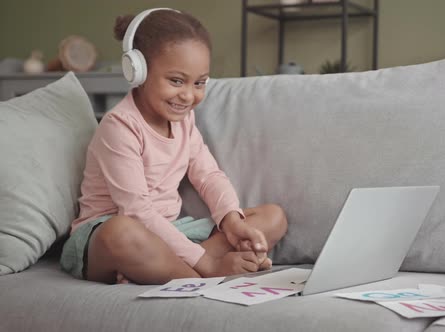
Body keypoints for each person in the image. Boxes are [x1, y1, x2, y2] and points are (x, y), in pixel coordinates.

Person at [59, 8, 288, 285]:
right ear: (137, 71)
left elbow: (209, 176)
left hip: (170, 231)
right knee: (121, 232)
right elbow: (136, 212)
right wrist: (208, 262)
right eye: (176, 81)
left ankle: (160, 269)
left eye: (200, 83)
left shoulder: (184, 121)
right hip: (108, 233)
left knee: (272, 217)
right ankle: (206, 274)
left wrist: (232, 223)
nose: (189, 95)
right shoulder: (119, 126)